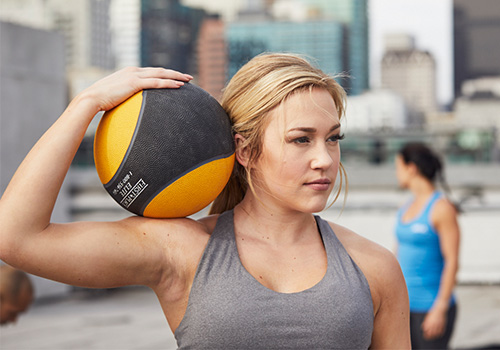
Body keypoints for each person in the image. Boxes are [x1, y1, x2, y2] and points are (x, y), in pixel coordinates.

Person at [0, 53, 410, 348]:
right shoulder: (182, 251)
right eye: (301, 139)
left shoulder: (374, 267)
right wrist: (86, 104)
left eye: (333, 138)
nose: (324, 159)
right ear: (244, 151)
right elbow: (16, 237)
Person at [394, 142, 461, 349]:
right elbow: (397, 256)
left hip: (430, 307)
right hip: (405, 308)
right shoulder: (406, 207)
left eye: (398, 167)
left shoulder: (441, 208)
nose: (396, 174)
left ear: (411, 168)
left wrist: (439, 309)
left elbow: (452, 262)